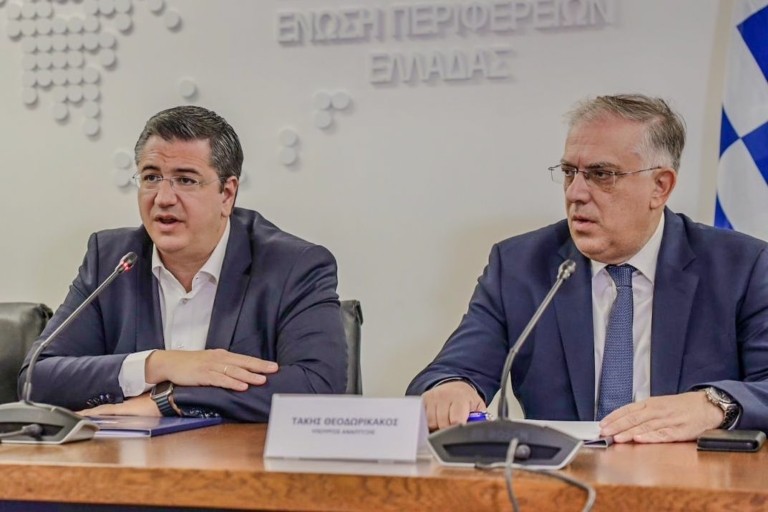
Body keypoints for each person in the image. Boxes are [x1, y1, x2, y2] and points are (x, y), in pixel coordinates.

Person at [407, 94, 768, 443]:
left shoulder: (741, 267)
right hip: (559, 477)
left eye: (601, 174)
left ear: (660, 187)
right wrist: (450, 388)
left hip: (688, 477)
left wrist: (713, 405)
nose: (575, 193)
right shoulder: (520, 267)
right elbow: (452, 371)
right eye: (569, 172)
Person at [20, 105, 348, 421]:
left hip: (238, 458)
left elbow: (317, 386)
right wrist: (158, 364)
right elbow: (37, 378)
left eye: (186, 180)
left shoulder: (294, 266)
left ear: (227, 194)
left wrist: (169, 400)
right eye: (151, 177)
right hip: (126, 457)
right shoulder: (111, 259)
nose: (163, 198)